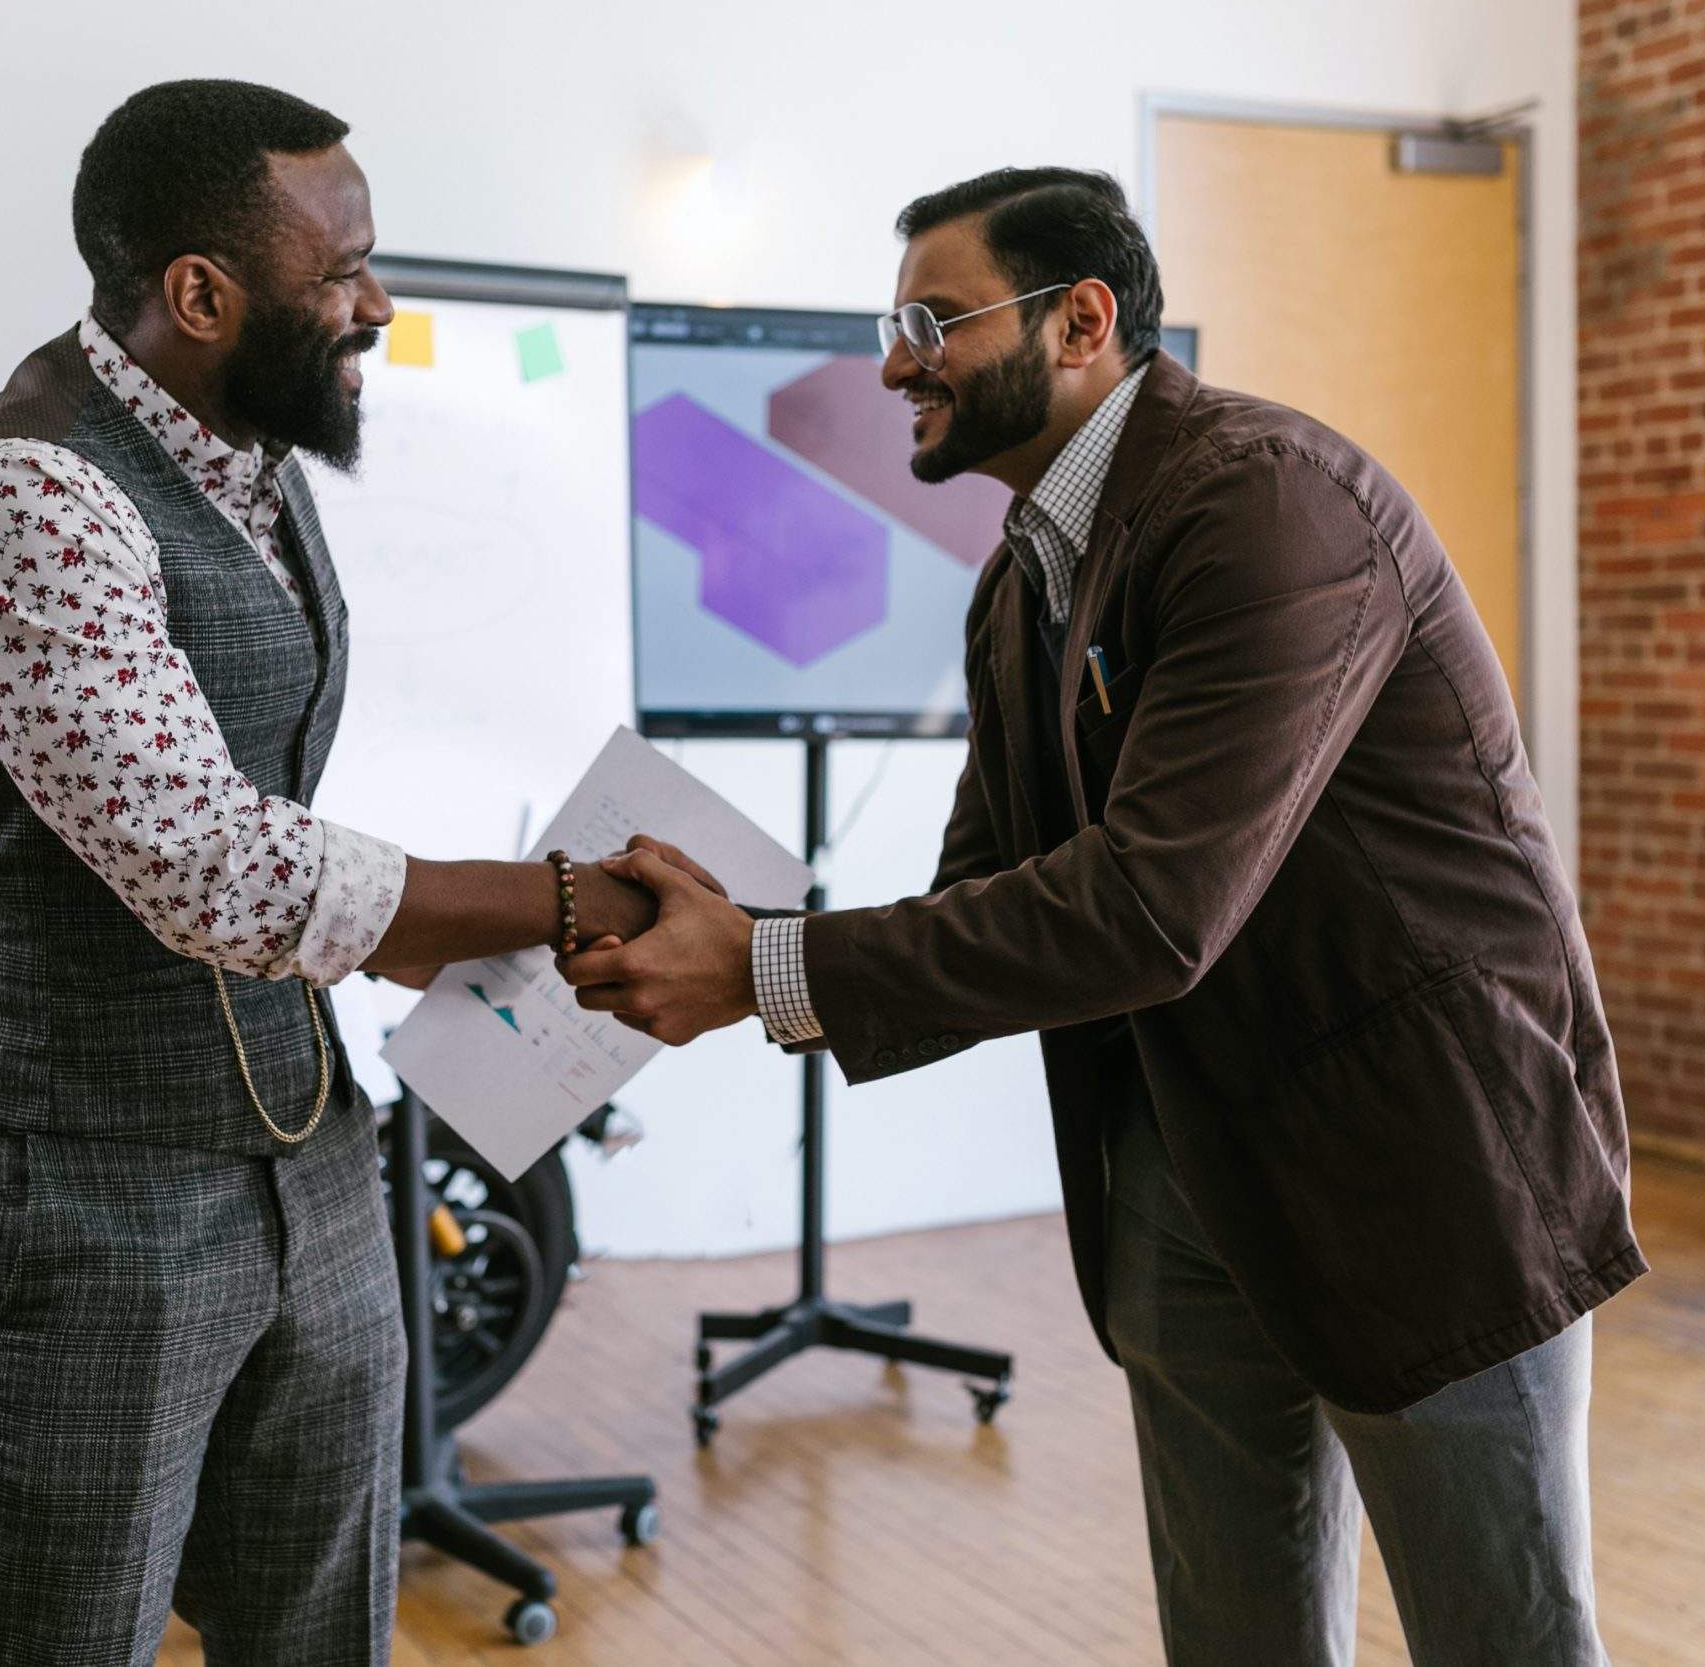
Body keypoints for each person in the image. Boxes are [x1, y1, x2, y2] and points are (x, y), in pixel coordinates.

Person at [565, 167, 1634, 1666]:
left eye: (933, 319)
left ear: (1081, 322)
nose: (891, 364)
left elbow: (1148, 905)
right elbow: (981, 912)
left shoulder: (1269, 500)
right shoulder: (1019, 582)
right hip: (1186, 1172)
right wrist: (729, 941)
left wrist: (764, 967)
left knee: (1503, 1640)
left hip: (1425, 1173)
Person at [0, 79, 654, 1667]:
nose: (378, 303)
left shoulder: (256, 460)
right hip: (78, 1194)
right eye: (341, 272)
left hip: (305, 1152)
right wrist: (571, 903)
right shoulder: (25, 498)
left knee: (318, 1631)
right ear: (202, 296)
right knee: (65, 1639)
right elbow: (216, 870)